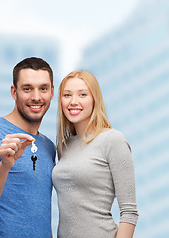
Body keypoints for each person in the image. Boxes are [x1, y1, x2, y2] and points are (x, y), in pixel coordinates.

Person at [0, 57, 56, 238]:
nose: (36, 97)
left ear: (52, 92)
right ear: (14, 92)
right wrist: (5, 165)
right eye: (27, 88)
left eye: (43, 88)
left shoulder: (49, 146)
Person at [52, 70, 138, 238]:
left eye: (82, 94)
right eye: (67, 95)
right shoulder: (64, 146)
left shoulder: (113, 140)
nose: (73, 102)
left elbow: (129, 212)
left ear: (94, 99)